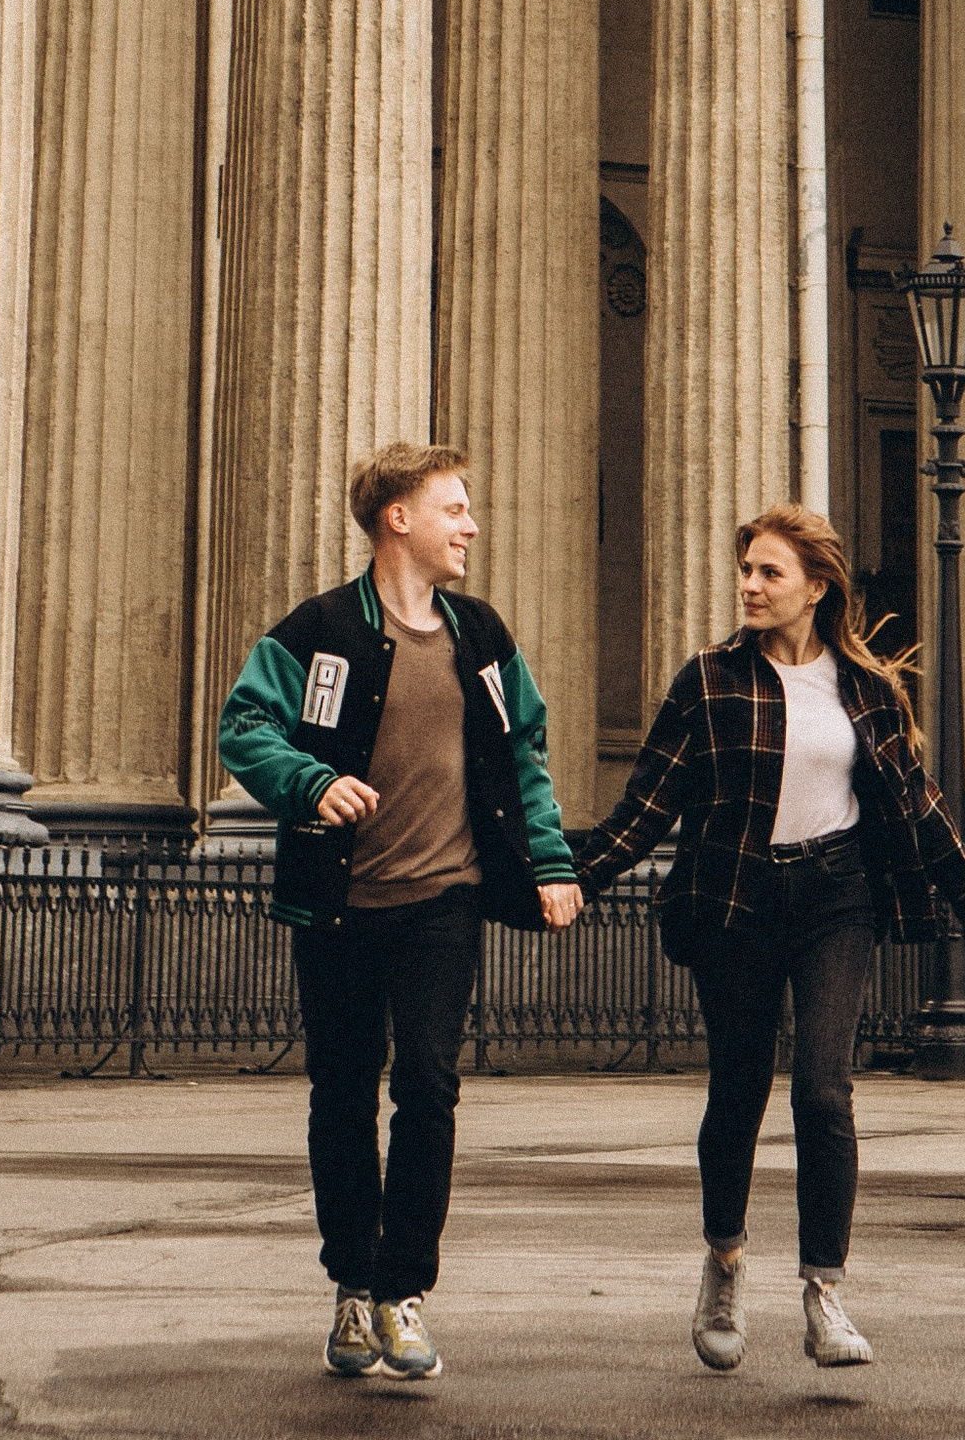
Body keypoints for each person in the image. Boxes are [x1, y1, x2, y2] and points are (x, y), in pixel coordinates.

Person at [571, 501, 965, 1375]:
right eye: (746, 571)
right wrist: (568, 879)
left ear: (817, 586)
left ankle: (824, 1292)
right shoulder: (708, 681)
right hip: (739, 900)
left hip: (835, 896)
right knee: (738, 1089)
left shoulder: (865, 689)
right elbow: (648, 804)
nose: (751, 586)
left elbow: (918, 801)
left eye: (770, 572)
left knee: (822, 1092)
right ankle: (725, 1263)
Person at [217, 442, 583, 1385]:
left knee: (426, 1084)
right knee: (341, 1095)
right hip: (339, 907)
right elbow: (244, 728)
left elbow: (524, 754)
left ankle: (402, 1290)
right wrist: (309, 783)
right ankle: (350, 1285)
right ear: (399, 521)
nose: (468, 525)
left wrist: (548, 862)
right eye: (453, 508)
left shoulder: (483, 637)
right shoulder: (322, 629)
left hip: (444, 902)